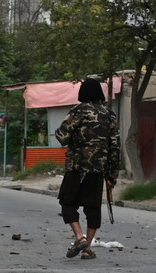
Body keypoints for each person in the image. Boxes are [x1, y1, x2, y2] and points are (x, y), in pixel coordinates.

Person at [55, 78, 120, 260]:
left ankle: (79, 236)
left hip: (76, 166)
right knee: (93, 209)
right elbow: (115, 145)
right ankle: (87, 249)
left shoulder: (77, 111)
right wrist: (112, 173)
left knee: (67, 203)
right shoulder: (109, 114)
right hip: (98, 169)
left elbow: (62, 136)